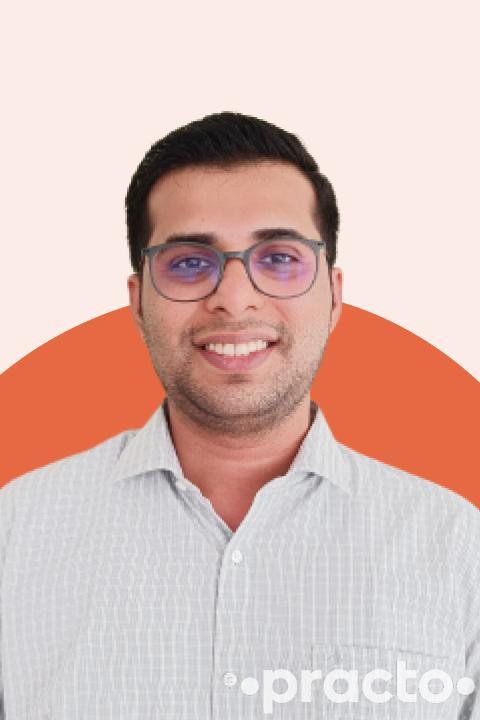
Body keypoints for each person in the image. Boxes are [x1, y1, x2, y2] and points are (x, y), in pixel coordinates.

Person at [0, 112, 478, 719]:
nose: (233, 297)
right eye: (188, 262)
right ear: (138, 302)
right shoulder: (15, 536)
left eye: (279, 258)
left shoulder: (456, 551)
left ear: (333, 296)